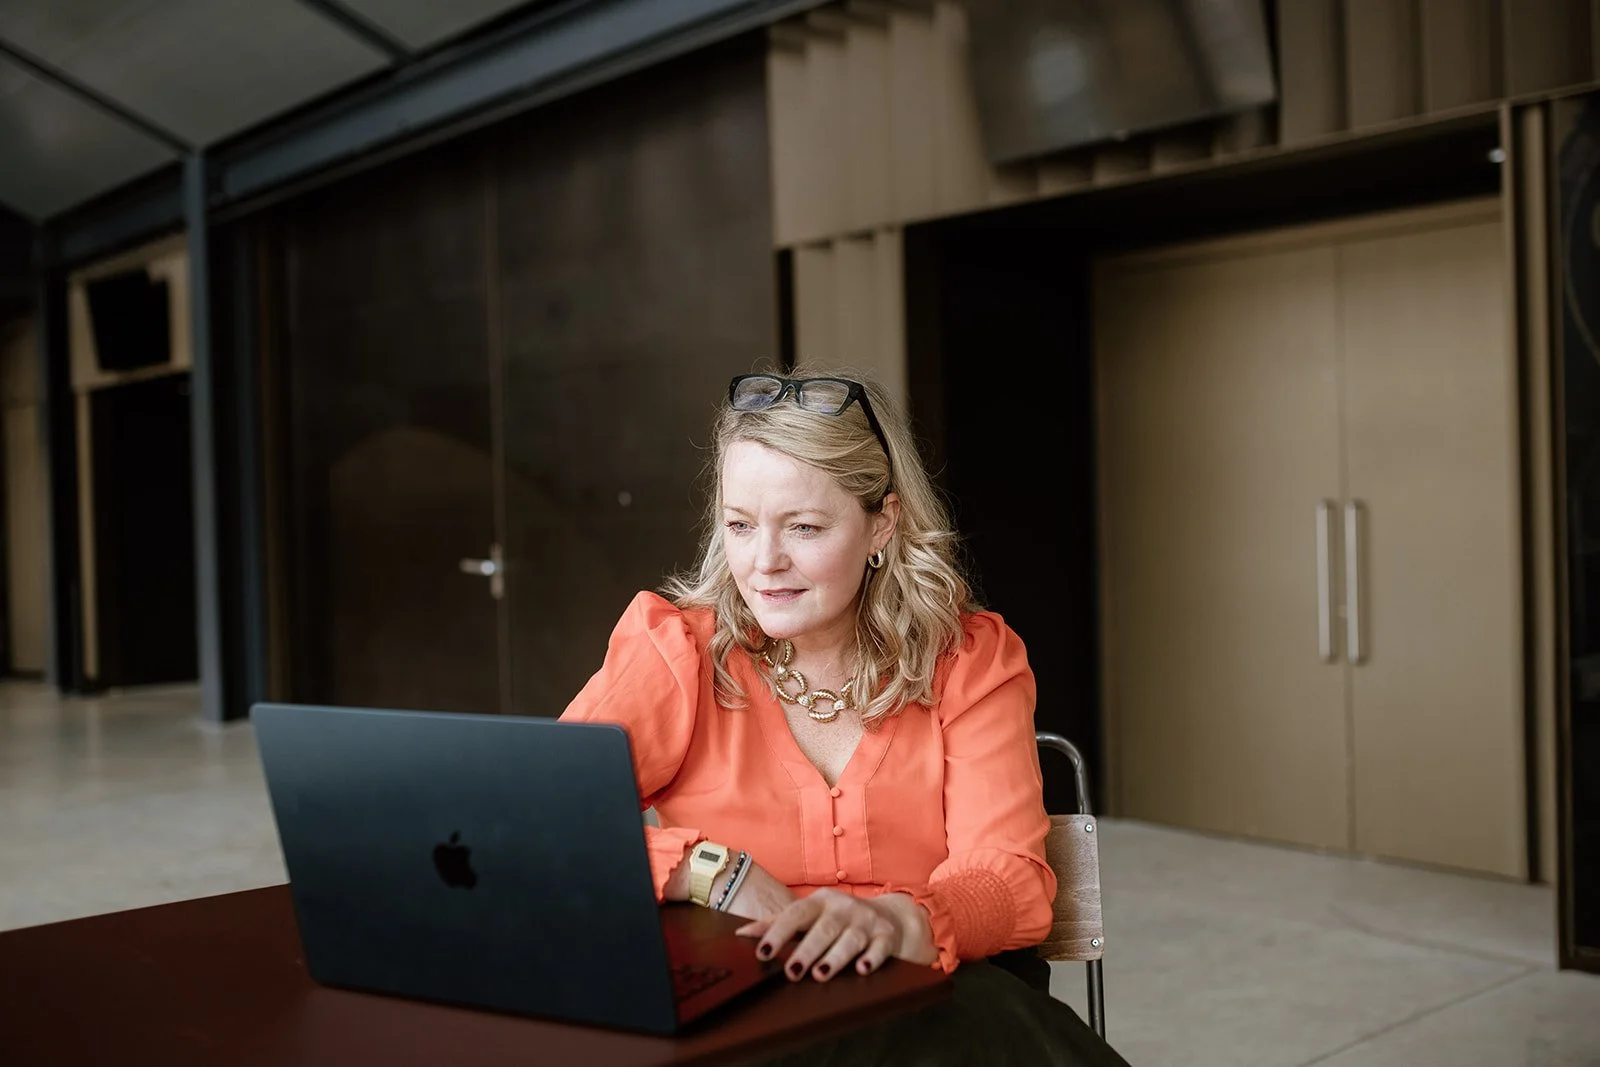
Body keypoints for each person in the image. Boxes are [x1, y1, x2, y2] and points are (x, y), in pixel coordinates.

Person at [561, 371, 1129, 1066]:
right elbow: (533, 826)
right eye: (740, 525)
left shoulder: (969, 659)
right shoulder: (679, 653)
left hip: (938, 1007)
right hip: (745, 1009)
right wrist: (707, 868)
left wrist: (905, 921)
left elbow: (1009, 878)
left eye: (803, 526)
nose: (764, 563)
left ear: (880, 525)